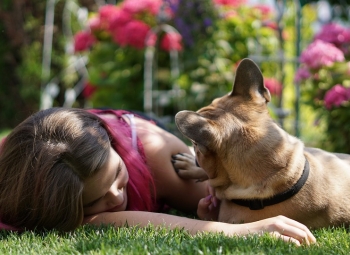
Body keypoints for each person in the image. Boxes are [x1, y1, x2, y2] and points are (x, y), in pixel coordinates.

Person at [0, 107, 316, 245]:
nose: (116, 197)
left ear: (114, 147)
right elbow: (99, 223)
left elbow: (246, 201)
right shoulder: (24, 180)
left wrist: (225, 218)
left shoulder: (158, 157)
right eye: (95, 200)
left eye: (117, 175)